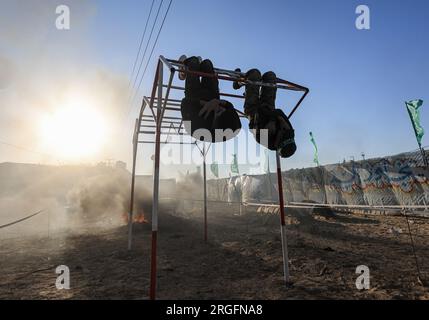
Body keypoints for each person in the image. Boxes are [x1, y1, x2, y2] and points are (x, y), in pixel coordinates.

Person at [178, 55, 241, 143]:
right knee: (207, 63)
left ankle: (183, 72)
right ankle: (199, 66)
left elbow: (185, 102)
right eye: (221, 109)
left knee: (193, 61)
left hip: (193, 95)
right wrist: (217, 102)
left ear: (215, 121)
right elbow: (230, 106)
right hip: (213, 95)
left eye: (218, 111)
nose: (219, 108)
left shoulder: (195, 130)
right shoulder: (234, 127)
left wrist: (204, 103)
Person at [236, 68, 297, 158]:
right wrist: (275, 120)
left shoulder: (264, 139)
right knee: (270, 76)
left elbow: (256, 119)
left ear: (278, 143)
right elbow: (279, 111)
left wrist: (273, 119)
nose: (284, 132)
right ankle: (250, 86)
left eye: (283, 136)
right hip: (268, 107)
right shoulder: (289, 133)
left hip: (253, 110)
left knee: (254, 74)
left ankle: (238, 82)